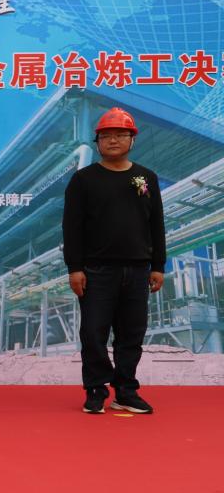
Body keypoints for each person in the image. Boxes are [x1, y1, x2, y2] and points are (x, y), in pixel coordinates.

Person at [63, 106, 165, 414]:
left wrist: (158, 266)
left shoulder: (146, 178)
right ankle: (96, 389)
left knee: (131, 334)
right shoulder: (83, 180)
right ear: (97, 142)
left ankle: (126, 391)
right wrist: (75, 268)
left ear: (132, 139)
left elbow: (156, 224)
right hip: (97, 271)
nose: (113, 140)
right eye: (106, 135)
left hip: (137, 269)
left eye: (120, 134)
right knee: (93, 332)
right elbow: (72, 227)